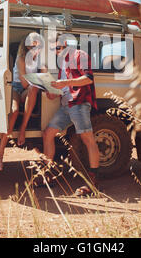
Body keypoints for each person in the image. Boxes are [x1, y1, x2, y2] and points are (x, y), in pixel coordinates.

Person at [42, 35, 100, 195]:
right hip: (66, 105)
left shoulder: (79, 55)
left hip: (79, 104)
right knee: (48, 133)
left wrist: (65, 83)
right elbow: (64, 88)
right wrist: (53, 92)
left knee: (87, 139)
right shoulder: (63, 64)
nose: (56, 51)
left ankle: (93, 183)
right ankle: (48, 175)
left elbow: (88, 79)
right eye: (53, 49)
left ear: (65, 44)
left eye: (58, 47)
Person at [0, 32, 47, 171]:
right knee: (15, 111)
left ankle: (23, 129)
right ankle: (0, 155)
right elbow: (23, 83)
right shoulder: (21, 58)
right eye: (32, 45)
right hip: (17, 87)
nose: (35, 49)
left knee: (34, 89)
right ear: (27, 46)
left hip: (30, 88)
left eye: (38, 45)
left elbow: (45, 76)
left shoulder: (40, 59)